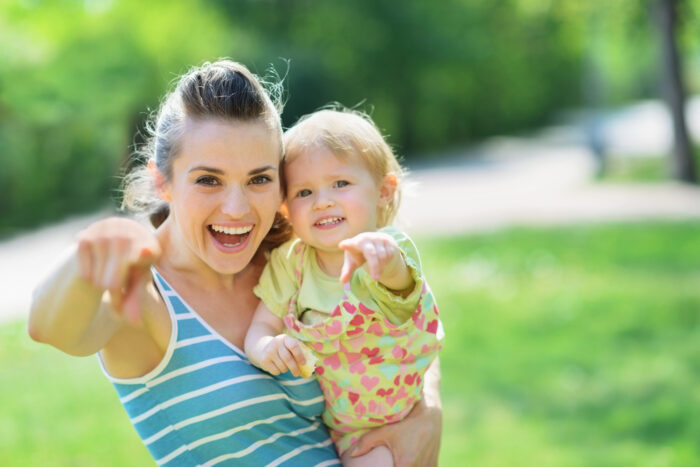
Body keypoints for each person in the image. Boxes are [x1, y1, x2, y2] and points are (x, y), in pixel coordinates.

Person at [28, 59, 443, 466]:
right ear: (162, 181)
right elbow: (53, 329)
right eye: (209, 180)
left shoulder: (286, 259)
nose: (237, 208)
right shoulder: (149, 297)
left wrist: (428, 408)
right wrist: (86, 256)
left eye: (259, 179)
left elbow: (394, 321)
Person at [244, 109, 444, 466]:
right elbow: (263, 324)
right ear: (288, 210)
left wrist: (388, 264)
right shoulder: (291, 263)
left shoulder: (388, 250)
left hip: (397, 420)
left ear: (383, 192)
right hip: (343, 430)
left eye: (340, 184)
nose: (323, 201)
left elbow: (403, 294)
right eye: (305, 192)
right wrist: (265, 347)